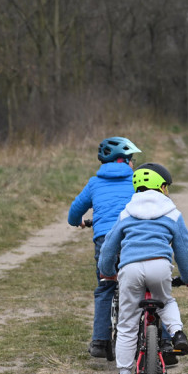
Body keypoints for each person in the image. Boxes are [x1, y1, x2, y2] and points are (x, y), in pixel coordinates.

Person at [98, 162, 188, 374]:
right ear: (161, 187)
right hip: (160, 266)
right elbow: (183, 249)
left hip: (130, 269)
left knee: (126, 324)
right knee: (166, 301)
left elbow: (109, 247)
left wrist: (106, 271)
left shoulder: (126, 212)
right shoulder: (172, 212)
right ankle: (177, 334)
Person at [67, 136, 141, 360]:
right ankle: (165, 342)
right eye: (132, 159)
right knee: (145, 287)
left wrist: (80, 221)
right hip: (132, 238)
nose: (133, 164)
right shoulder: (137, 180)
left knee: (105, 287)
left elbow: (73, 214)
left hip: (105, 240)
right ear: (125, 160)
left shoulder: (94, 182)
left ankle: (100, 341)